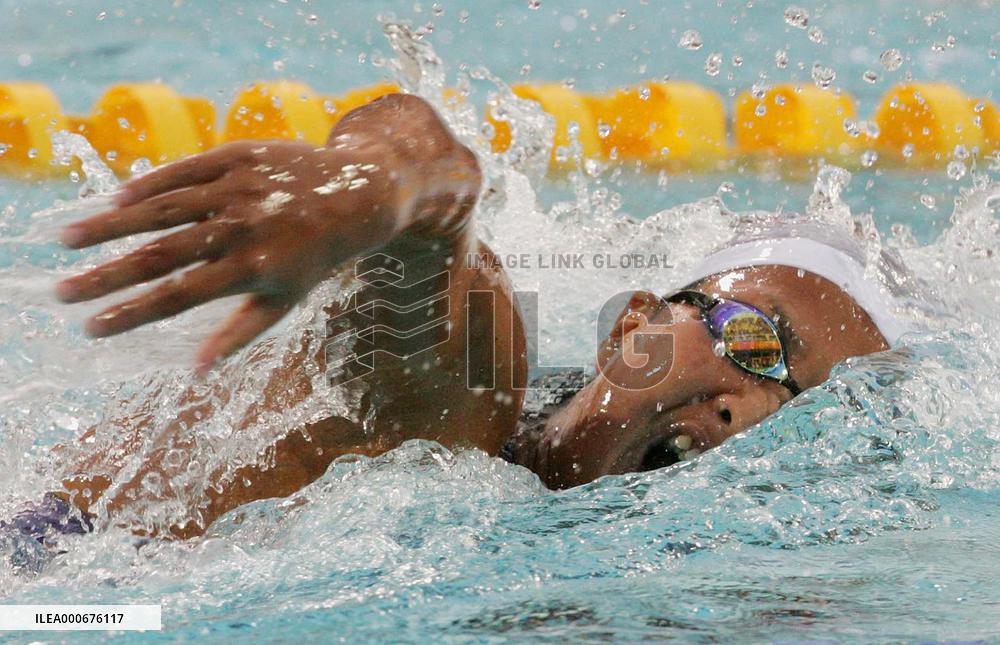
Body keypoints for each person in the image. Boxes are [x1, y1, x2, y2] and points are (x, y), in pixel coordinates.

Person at [7, 93, 905, 545]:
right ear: (634, 322)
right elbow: (432, 183)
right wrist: (372, 185)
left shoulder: (526, 519)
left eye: (795, 402)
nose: (746, 406)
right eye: (759, 340)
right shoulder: (471, 402)